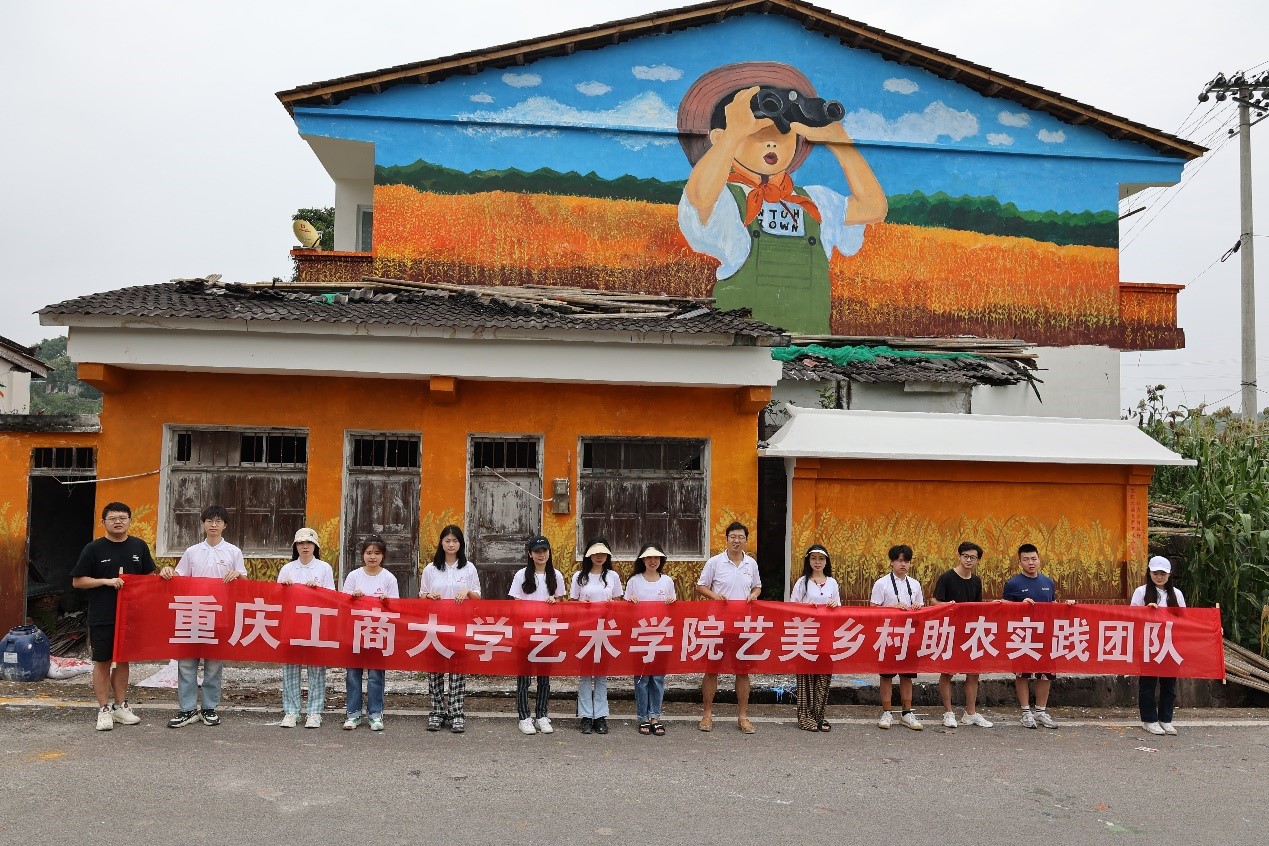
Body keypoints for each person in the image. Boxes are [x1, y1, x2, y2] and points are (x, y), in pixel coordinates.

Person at [677, 62, 887, 334]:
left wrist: (839, 141)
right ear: (718, 137)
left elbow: (873, 207)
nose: (771, 143)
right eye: (758, 134)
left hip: (808, 347)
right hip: (742, 345)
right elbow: (700, 197)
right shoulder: (727, 200)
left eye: (783, 135)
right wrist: (733, 134)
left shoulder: (816, 202)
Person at [69, 502, 158, 731]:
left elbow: (149, 577)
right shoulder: (94, 548)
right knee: (103, 661)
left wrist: (163, 575)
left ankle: (120, 706)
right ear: (103, 522)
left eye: (122, 518)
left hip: (130, 615)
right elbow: (78, 581)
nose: (118, 522)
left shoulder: (139, 546)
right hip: (103, 614)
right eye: (113, 518)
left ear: (129, 521)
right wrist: (106, 582)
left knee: (123, 659)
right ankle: (104, 709)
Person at [159, 504, 247, 728]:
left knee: (214, 664)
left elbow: (245, 583)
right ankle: (187, 709)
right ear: (203, 524)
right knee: (186, 663)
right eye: (209, 521)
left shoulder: (234, 552)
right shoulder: (192, 551)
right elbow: (179, 577)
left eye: (218, 521)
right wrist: (167, 571)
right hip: (192, 613)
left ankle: (209, 707)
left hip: (220, 615)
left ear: (225, 525)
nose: (213, 525)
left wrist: (237, 575)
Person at [696, 521, 762, 734]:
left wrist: (754, 595)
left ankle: (743, 717)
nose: (736, 540)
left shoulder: (751, 564)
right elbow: (701, 586)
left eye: (740, 537)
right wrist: (715, 596)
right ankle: (707, 715)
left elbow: (757, 586)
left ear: (746, 540)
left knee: (742, 671)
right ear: (726, 539)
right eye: (733, 537)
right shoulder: (715, 562)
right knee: (711, 670)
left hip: (743, 625)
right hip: (717, 625)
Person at [1003, 543, 1076, 729]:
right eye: (1026, 559)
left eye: (1034, 559)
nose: (1031, 563)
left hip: (1046, 634)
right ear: (1020, 562)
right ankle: (1026, 712)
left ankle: (1041, 711)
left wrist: (1066, 606)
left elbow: (1053, 605)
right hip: (1023, 635)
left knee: (1045, 674)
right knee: (1022, 674)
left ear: (1039, 559)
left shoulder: (1048, 582)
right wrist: (1020, 606)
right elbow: (1004, 609)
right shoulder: (1013, 584)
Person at [419, 524, 481, 733]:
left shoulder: (469, 568)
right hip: (435, 625)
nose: (451, 544)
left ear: (460, 543)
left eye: (455, 541)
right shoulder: (431, 568)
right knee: (435, 670)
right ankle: (437, 712)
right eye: (447, 541)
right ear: (441, 543)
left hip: (459, 625)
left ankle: (456, 713)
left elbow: (478, 597)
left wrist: (467, 592)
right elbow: (421, 596)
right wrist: (429, 596)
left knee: (457, 670)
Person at [276, 527, 336, 728]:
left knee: (316, 668)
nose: (305, 546)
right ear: (295, 546)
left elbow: (332, 596)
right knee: (290, 668)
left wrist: (318, 590)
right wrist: (284, 588)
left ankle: (314, 712)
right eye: (301, 543)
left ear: (315, 546)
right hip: (292, 623)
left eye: (309, 543)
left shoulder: (324, 568)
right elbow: (276, 597)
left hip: (316, 624)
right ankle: (291, 711)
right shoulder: (288, 569)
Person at [931, 541, 993, 729]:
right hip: (950, 631)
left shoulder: (976, 581)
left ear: (978, 560)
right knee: (947, 673)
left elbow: (977, 606)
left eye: (973, 557)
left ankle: (971, 713)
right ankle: (948, 713)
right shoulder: (947, 577)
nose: (968, 560)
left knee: (973, 674)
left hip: (971, 632)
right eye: (965, 556)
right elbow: (934, 601)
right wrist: (947, 606)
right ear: (959, 556)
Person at [341, 534, 399, 733]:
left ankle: (375, 714)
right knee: (353, 673)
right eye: (368, 553)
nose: (372, 557)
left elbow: (396, 606)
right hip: (356, 630)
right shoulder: (354, 576)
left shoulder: (389, 578)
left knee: (375, 675)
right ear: (362, 555)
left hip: (378, 631)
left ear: (383, 556)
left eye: (377, 553)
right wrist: (353, 597)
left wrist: (386, 601)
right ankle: (353, 713)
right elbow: (343, 602)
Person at [509, 535, 566, 736]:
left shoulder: (556, 575)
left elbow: (561, 604)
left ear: (549, 553)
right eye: (537, 552)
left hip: (547, 633)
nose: (541, 555)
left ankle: (542, 714)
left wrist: (554, 603)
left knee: (544, 677)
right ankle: (524, 717)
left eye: (544, 551)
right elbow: (516, 604)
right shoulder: (521, 575)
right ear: (530, 554)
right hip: (526, 632)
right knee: (524, 678)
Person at [570, 538, 623, 735]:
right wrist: (581, 606)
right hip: (585, 630)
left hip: (605, 630)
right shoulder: (579, 577)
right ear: (588, 555)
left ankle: (600, 716)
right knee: (585, 675)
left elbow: (619, 602)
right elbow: (571, 604)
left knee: (601, 675)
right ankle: (585, 716)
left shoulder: (612, 576)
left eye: (603, 553)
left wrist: (612, 605)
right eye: (595, 553)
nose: (599, 557)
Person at [624, 542, 677, 736]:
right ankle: (643, 717)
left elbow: (673, 609)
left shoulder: (667, 581)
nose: (652, 561)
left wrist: (672, 603)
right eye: (648, 558)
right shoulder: (634, 581)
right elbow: (625, 609)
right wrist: (629, 603)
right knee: (642, 678)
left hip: (661, 635)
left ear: (661, 560)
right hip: (640, 635)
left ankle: (655, 716)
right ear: (643, 560)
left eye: (656, 558)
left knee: (658, 678)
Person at [870, 544, 924, 731]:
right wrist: (893, 608)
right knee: (886, 675)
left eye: (906, 561)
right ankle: (887, 712)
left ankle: (907, 713)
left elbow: (921, 609)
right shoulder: (882, 583)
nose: (903, 564)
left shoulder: (915, 584)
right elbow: (873, 610)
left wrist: (917, 608)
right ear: (891, 562)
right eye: (900, 560)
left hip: (909, 634)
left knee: (907, 675)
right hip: (888, 634)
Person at [1131, 556, 1186, 737]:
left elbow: (1185, 619)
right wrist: (1146, 611)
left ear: (1169, 575)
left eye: (1163, 573)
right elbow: (1131, 616)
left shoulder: (1176, 594)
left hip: (1170, 644)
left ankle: (1166, 719)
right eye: (1156, 573)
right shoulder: (1141, 592)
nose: (1159, 577)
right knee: (1148, 683)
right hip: (1148, 644)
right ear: (1150, 573)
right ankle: (1149, 719)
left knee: (1169, 684)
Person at [790, 544, 840, 732]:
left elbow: (839, 608)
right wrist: (806, 608)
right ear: (808, 561)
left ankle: (819, 715)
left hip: (826, 634)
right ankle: (805, 717)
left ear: (826, 561)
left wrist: (834, 605)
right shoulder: (802, 582)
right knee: (806, 676)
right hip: (806, 634)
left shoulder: (832, 582)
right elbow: (792, 607)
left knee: (823, 675)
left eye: (821, 558)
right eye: (813, 558)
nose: (817, 562)